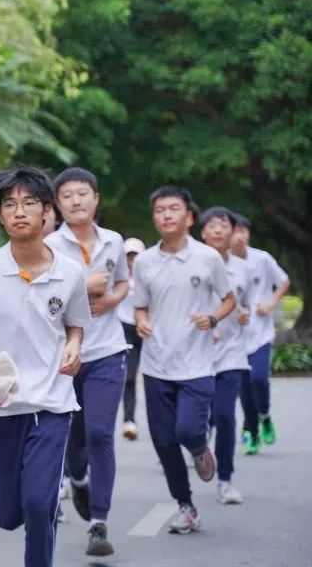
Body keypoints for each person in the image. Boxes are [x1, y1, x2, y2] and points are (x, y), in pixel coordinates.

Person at [0, 166, 90, 567]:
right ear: (0, 215)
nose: (19, 211)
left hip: (53, 401)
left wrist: (74, 346)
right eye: (9, 204)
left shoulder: (70, 272)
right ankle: (12, 509)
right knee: (8, 513)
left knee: (38, 503)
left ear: (47, 212)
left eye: (29, 203)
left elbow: (76, 324)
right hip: (4, 402)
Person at [133, 186, 235, 535]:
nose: (165, 215)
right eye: (159, 210)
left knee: (188, 430)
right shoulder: (145, 262)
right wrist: (142, 320)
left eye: (173, 209)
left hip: (196, 363)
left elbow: (228, 299)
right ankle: (186, 505)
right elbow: (140, 304)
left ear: (189, 217)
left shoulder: (208, 258)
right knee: (163, 440)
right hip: (157, 362)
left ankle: (199, 448)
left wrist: (213, 318)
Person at [45, 168, 129, 557]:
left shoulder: (113, 241)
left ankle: (99, 522)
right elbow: (40, 296)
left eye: (83, 193)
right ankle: (77, 478)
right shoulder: (49, 245)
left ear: (97, 198)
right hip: (64, 354)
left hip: (108, 351)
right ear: (57, 205)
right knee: (73, 437)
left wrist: (112, 298)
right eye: (67, 195)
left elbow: (123, 282)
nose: (76, 200)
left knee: (99, 433)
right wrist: (84, 283)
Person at [198, 206, 252, 505]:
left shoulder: (244, 268)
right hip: (197, 353)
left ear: (233, 232)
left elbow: (247, 307)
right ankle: (199, 445)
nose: (218, 230)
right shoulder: (193, 263)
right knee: (198, 420)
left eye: (224, 225)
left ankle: (225, 478)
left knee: (225, 415)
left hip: (232, 353)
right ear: (202, 231)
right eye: (212, 225)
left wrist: (243, 316)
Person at [229, 213, 291, 455]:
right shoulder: (221, 263)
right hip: (236, 336)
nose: (239, 236)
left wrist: (271, 302)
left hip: (261, 333)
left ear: (248, 234)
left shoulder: (262, 259)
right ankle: (252, 431)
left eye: (243, 231)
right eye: (235, 231)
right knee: (244, 389)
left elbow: (284, 281)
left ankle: (265, 415)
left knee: (259, 379)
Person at [115, 237, 147, 440]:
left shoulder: (150, 275)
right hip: (126, 328)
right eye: (129, 256)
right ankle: (129, 420)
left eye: (136, 255)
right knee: (129, 377)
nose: (132, 260)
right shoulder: (117, 277)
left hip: (149, 329)